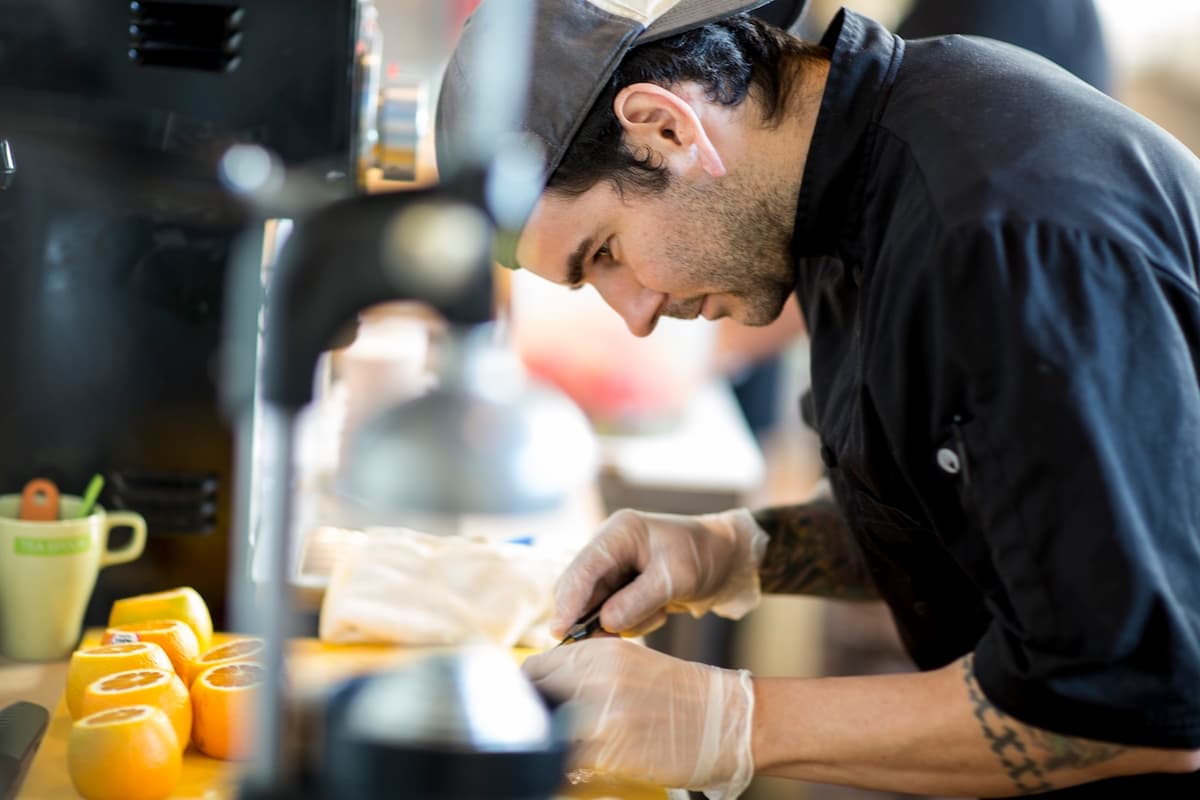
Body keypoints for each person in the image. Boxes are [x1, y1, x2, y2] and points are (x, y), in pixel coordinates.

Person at [437, 1, 1200, 798]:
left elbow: (1130, 706)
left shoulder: (997, 233)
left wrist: (731, 721)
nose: (633, 316)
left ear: (665, 128)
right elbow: (975, 512)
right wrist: (732, 551)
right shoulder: (840, 192)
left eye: (606, 252)